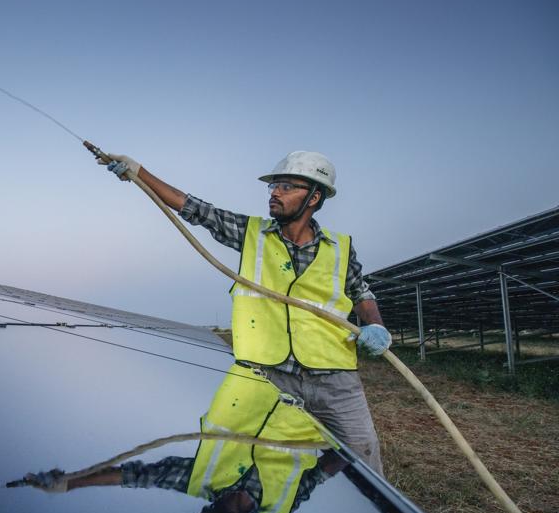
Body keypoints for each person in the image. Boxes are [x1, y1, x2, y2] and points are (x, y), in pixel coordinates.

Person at [97, 151, 390, 474]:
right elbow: (192, 207)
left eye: (287, 187)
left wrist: (376, 326)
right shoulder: (252, 233)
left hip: (334, 380)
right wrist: (139, 173)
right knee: (255, 463)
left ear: (314, 197)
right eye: (274, 186)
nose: (275, 193)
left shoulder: (340, 248)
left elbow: (361, 292)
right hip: (269, 378)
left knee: (363, 456)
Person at [20, 365, 347, 513]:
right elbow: (329, 466)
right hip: (315, 382)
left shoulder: (199, 481)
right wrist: (349, 436)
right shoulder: (283, 502)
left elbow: (137, 476)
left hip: (266, 368)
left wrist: (70, 483)